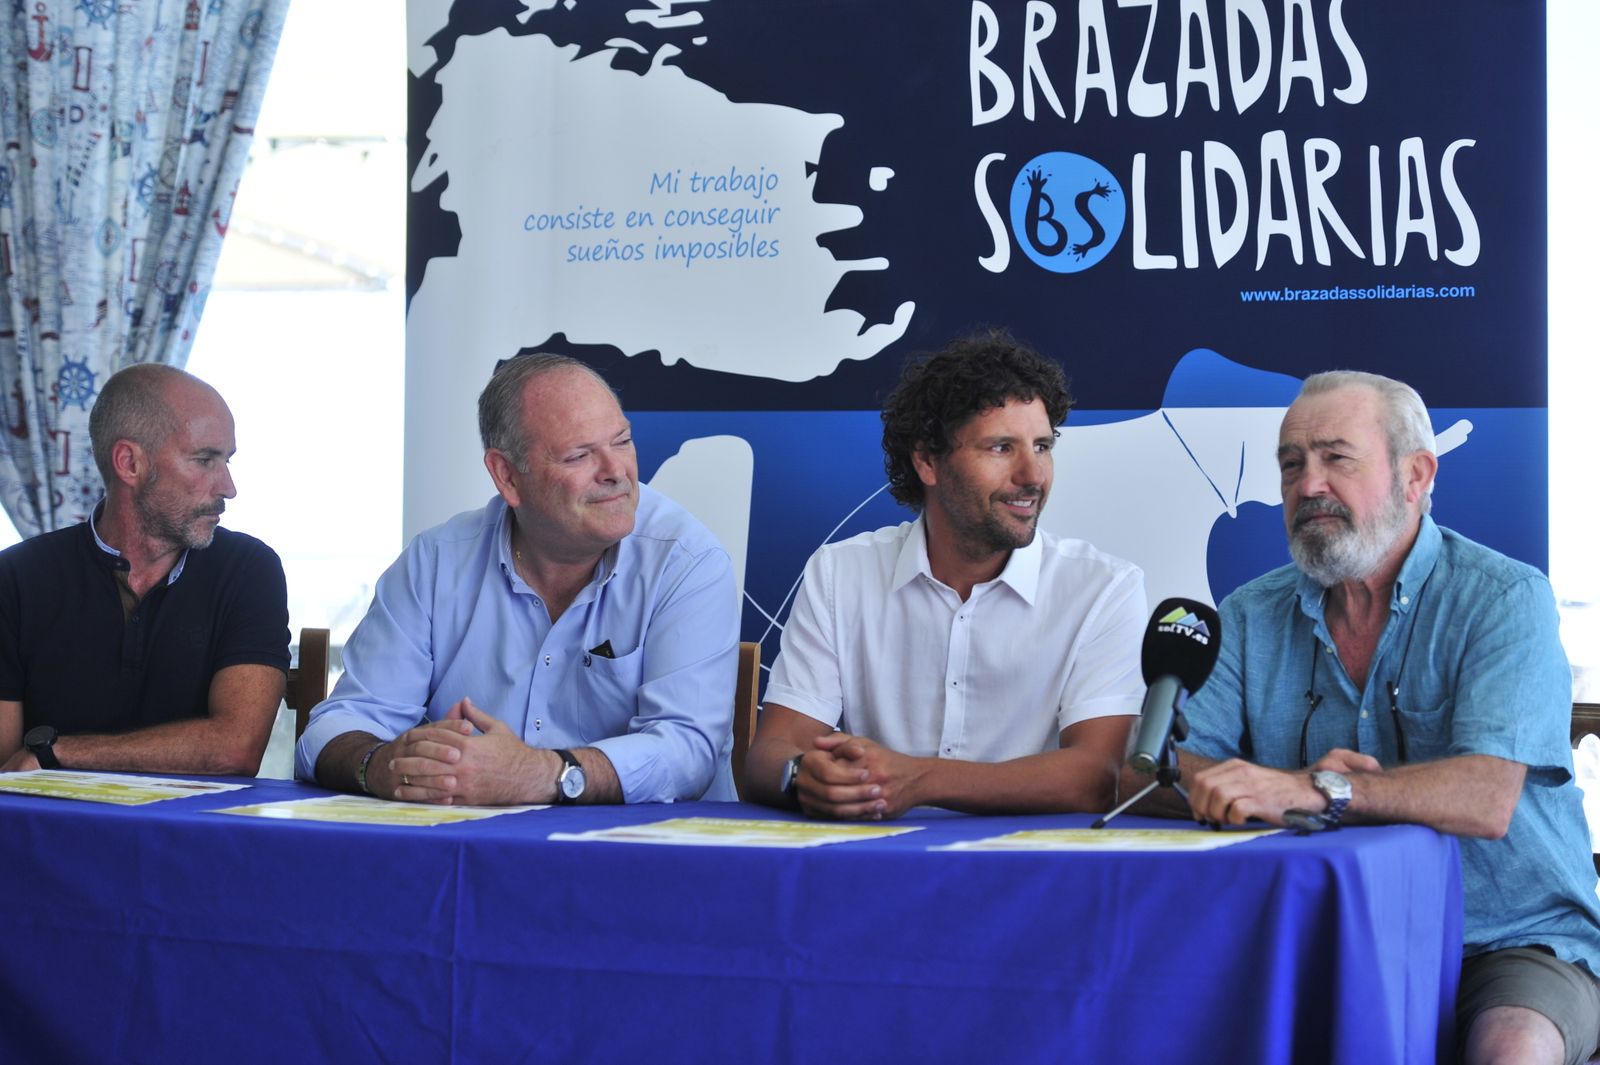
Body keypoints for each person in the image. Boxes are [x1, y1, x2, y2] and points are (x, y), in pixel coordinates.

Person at [1161, 370, 1600, 1065]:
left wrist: (1320, 792)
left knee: (1512, 1050)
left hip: (1505, 939)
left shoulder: (1504, 598)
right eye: (1291, 464)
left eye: (1337, 458)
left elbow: (1486, 797)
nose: (1308, 485)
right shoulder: (1248, 613)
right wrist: (1226, 782)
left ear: (1416, 476)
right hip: (1312, 933)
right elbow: (1171, 764)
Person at [296, 353, 739, 806]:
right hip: (466, 853)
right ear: (507, 476)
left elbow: (688, 750)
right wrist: (382, 765)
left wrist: (543, 774)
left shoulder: (685, 561)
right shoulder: (435, 562)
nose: (615, 472)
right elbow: (342, 723)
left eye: (622, 441)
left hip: (645, 859)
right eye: (579, 455)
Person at [743, 330, 1147, 819]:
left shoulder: (1103, 589)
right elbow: (770, 755)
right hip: (871, 865)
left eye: (1042, 446)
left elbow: (1101, 775)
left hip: (1032, 872)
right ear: (928, 462)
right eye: (1001, 448)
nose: (1033, 475)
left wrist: (917, 780)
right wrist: (805, 776)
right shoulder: (840, 573)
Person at [0, 363, 290, 774]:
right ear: (129, 463)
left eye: (227, 460)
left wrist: (58, 753)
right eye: (205, 460)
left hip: (191, 835)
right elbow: (5, 769)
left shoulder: (248, 569)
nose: (228, 486)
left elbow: (236, 749)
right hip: (50, 833)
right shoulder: (15, 577)